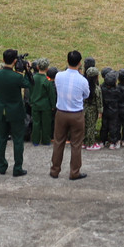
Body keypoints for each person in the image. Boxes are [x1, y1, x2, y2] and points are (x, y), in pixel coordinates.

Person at [49, 50, 90, 181]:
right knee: (76, 144)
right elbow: (86, 95)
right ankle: (74, 172)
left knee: (58, 142)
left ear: (67, 61)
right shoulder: (82, 80)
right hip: (76, 114)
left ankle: (55, 170)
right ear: (80, 63)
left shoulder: (59, 76)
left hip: (61, 113)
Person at [0, 49, 32, 176]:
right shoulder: (17, 77)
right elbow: (28, 83)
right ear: (15, 61)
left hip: (2, 109)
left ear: (3, 59)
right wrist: (26, 70)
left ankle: (1, 166)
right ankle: (17, 167)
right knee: (18, 140)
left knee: (2, 139)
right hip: (15, 111)